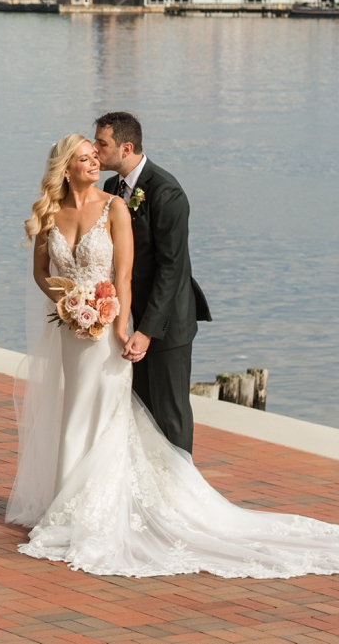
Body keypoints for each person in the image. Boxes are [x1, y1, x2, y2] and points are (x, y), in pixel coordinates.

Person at [6, 133, 339, 578]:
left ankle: (101, 511)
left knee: (107, 417)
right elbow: (40, 271)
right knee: (73, 414)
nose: (96, 163)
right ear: (65, 168)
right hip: (72, 333)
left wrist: (116, 321)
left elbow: (125, 277)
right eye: (87, 158)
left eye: (98, 155)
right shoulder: (50, 212)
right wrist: (69, 304)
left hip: (107, 331)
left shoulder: (114, 207)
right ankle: (67, 508)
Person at [92, 111, 208, 453]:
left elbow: (171, 269)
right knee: (139, 411)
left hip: (166, 321)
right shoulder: (113, 188)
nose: (96, 150)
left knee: (170, 414)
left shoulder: (167, 193)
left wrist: (146, 331)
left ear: (126, 148)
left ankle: (180, 496)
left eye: (103, 143)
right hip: (129, 317)